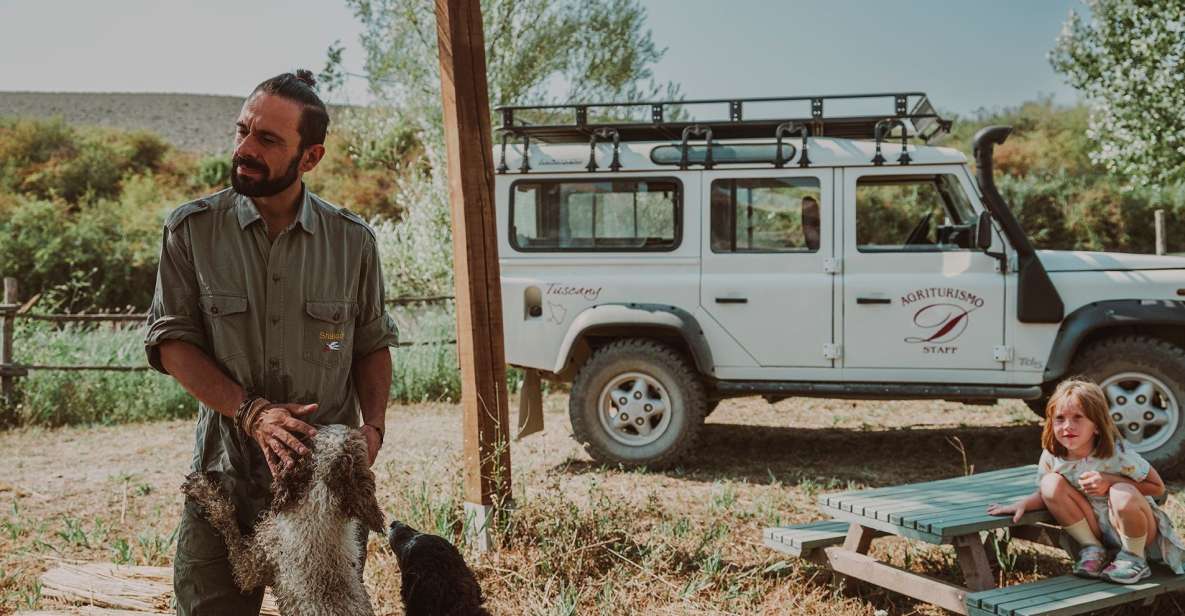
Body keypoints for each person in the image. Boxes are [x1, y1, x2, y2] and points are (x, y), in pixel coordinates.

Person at [144, 70, 399, 615]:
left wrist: (373, 430)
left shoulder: (352, 242)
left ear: (310, 157)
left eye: (267, 140)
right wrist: (253, 413)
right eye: (242, 131)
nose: (244, 150)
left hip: (324, 491)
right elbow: (172, 343)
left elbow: (372, 344)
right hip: (223, 485)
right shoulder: (191, 230)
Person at [987, 379, 1185, 584]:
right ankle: (1093, 549)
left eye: (1078, 418)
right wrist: (1022, 505)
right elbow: (1046, 494)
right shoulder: (1053, 456)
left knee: (1120, 491)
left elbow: (1157, 487)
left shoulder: (1117, 454)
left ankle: (1134, 559)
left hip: (1135, 529)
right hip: (1094, 527)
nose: (1067, 426)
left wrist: (1109, 481)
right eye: (1060, 419)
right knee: (1050, 483)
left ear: (1097, 426)